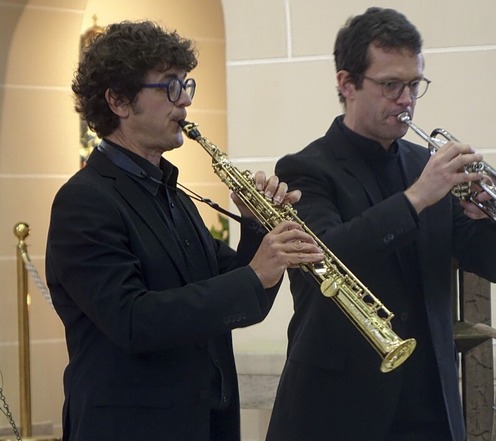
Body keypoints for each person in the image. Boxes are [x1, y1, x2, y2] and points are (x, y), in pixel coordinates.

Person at [45, 20, 323, 441]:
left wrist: (257, 227)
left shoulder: (173, 196)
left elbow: (240, 299)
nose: (185, 103)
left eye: (186, 85)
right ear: (118, 100)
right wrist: (255, 273)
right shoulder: (85, 201)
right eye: (169, 87)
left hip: (203, 424)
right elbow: (133, 321)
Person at [266, 7, 496, 441]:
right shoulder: (306, 169)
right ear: (347, 84)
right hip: (341, 406)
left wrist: (492, 217)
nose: (406, 100)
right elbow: (327, 256)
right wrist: (418, 197)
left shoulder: (425, 165)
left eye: (413, 85)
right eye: (390, 86)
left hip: (429, 403)